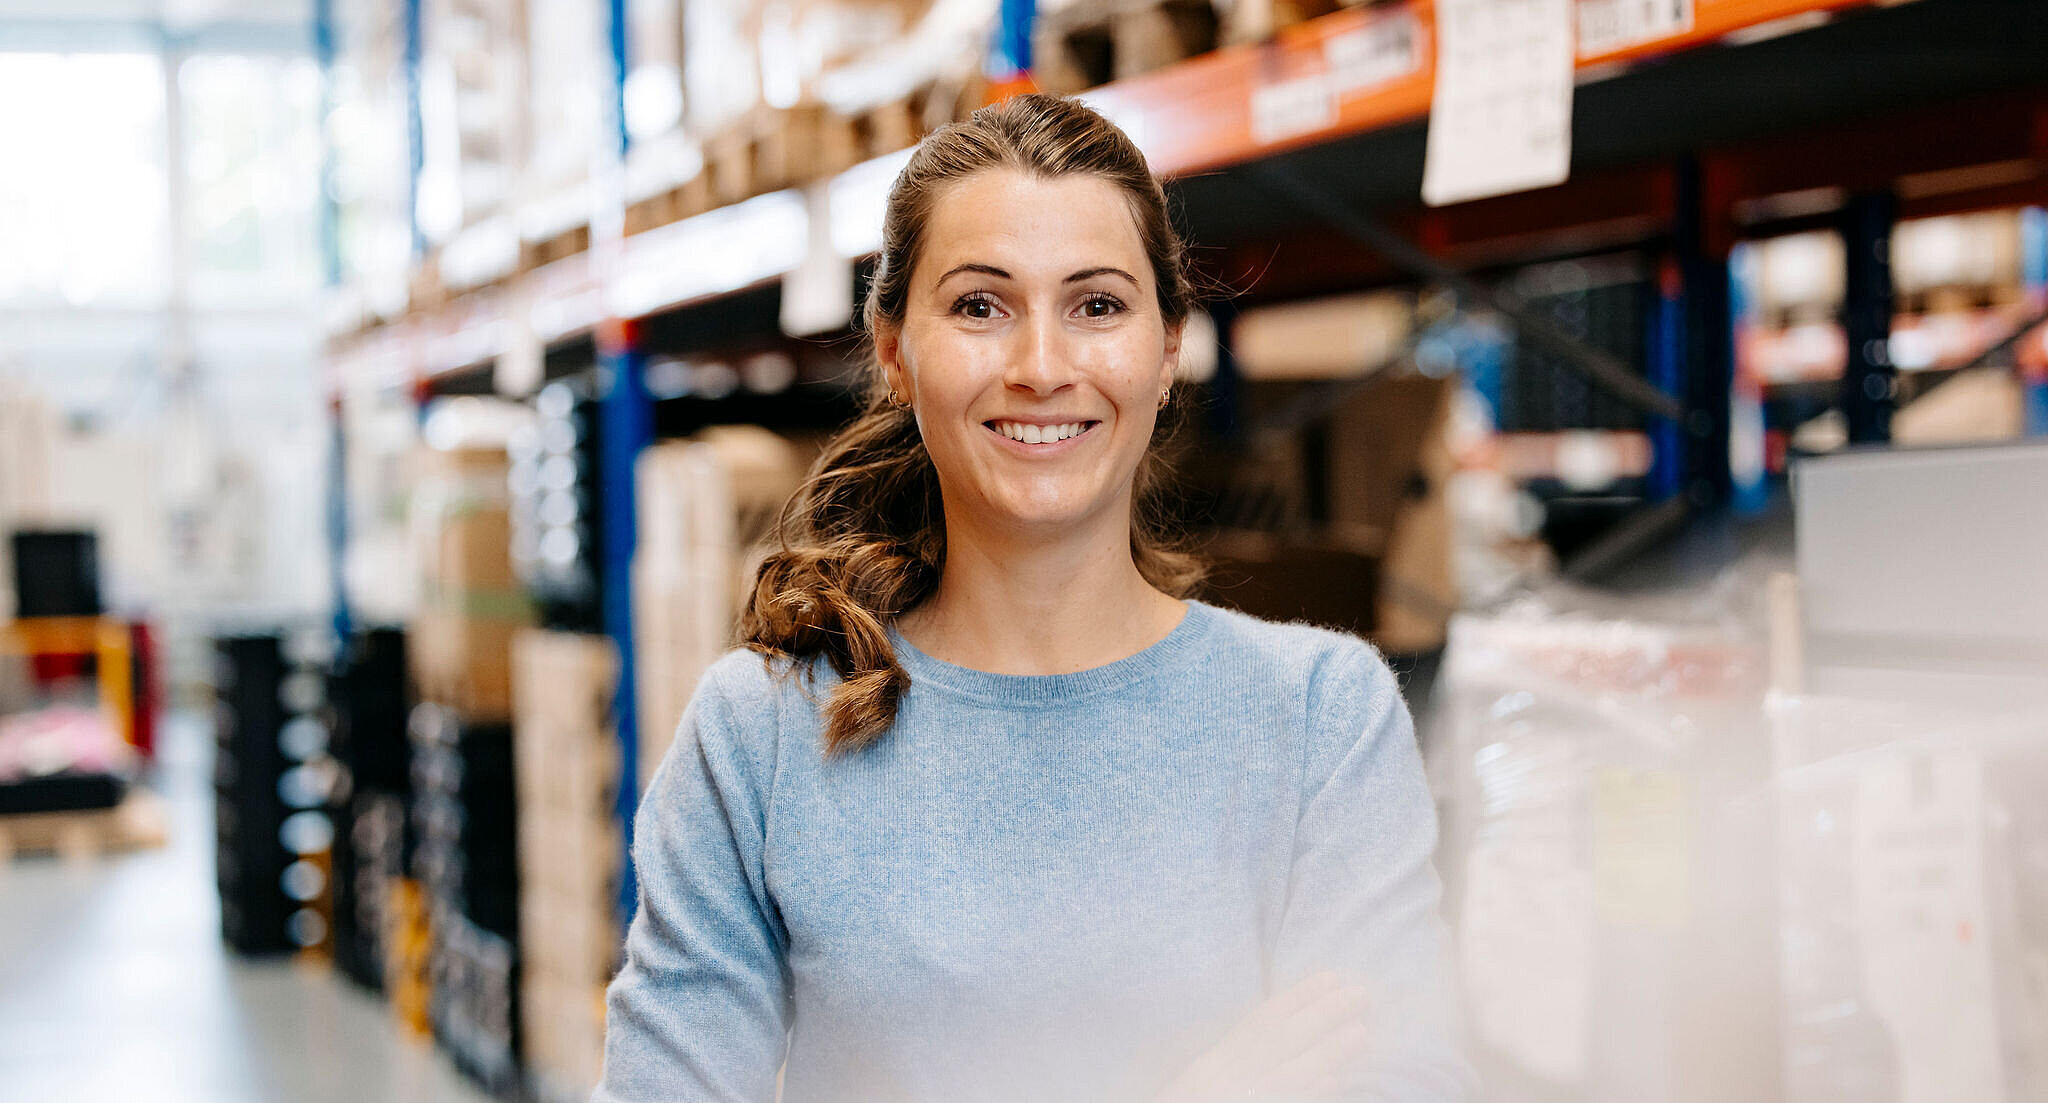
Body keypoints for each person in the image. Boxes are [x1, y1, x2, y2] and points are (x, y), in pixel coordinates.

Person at [596, 93, 1472, 1103]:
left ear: (1166, 350)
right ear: (894, 353)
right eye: (979, 306)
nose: (1041, 367)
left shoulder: (1321, 716)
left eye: (1096, 305)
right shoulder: (760, 738)